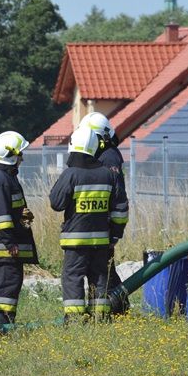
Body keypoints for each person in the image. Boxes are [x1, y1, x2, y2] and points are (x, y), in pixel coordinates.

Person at [49, 125, 128, 322]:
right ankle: (99, 318)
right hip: (101, 241)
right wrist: (115, 235)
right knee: (100, 279)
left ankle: (75, 321)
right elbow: (120, 209)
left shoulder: (71, 174)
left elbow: (56, 203)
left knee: (73, 278)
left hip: (75, 242)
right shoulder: (108, 174)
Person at [0, 131, 38, 330]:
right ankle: (1, 330)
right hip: (6, 248)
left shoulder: (5, 177)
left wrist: (22, 215)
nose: (22, 158)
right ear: (12, 156)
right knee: (5, 288)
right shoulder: (0, 178)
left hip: (8, 246)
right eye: (20, 154)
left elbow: (8, 209)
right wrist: (9, 242)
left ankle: (5, 327)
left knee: (10, 286)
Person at [79, 112, 129, 312]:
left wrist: (115, 231)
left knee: (104, 272)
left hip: (105, 225)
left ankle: (118, 309)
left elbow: (117, 197)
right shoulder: (105, 154)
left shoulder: (108, 157)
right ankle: (112, 309)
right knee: (102, 271)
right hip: (99, 224)